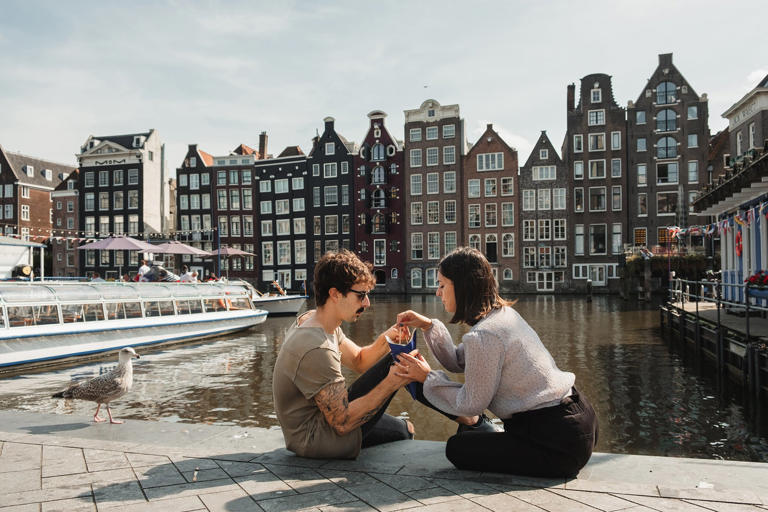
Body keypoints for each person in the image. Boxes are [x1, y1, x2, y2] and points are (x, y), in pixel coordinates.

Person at [395, 247, 598, 478]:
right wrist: (428, 326)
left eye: (442, 285)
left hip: (555, 440)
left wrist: (426, 377)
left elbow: (471, 403)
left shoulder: (485, 335)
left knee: (457, 448)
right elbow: (458, 361)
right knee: (473, 441)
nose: (437, 293)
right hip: (581, 419)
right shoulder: (503, 316)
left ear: (462, 287)